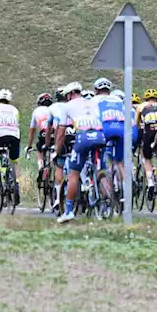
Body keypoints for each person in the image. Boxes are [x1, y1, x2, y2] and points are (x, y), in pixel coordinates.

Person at [51, 82, 104, 224]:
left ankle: (68, 212)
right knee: (99, 170)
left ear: (69, 95)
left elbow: (61, 132)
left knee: (73, 174)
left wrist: (57, 150)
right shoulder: (93, 102)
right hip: (100, 135)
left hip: (83, 136)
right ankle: (107, 204)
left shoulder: (67, 106)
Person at [94, 78, 127, 191]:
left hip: (105, 129)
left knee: (98, 159)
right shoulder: (117, 99)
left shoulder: (95, 99)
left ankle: (102, 176)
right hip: (121, 129)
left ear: (96, 90)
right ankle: (126, 191)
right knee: (119, 162)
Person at [136, 89, 157, 191]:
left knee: (147, 157)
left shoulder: (141, 106)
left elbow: (137, 124)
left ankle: (150, 182)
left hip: (149, 131)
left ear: (146, 99)